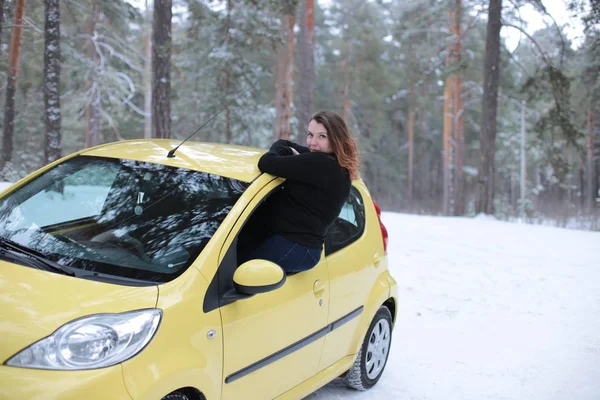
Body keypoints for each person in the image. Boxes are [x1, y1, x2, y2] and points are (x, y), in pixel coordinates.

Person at [240, 110, 360, 274]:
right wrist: (290, 152)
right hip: (303, 249)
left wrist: (287, 153)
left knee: (240, 270)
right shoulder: (336, 166)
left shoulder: (321, 164)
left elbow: (267, 162)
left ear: (336, 139)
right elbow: (285, 143)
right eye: (310, 135)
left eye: (322, 136)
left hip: (296, 246)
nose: (313, 143)